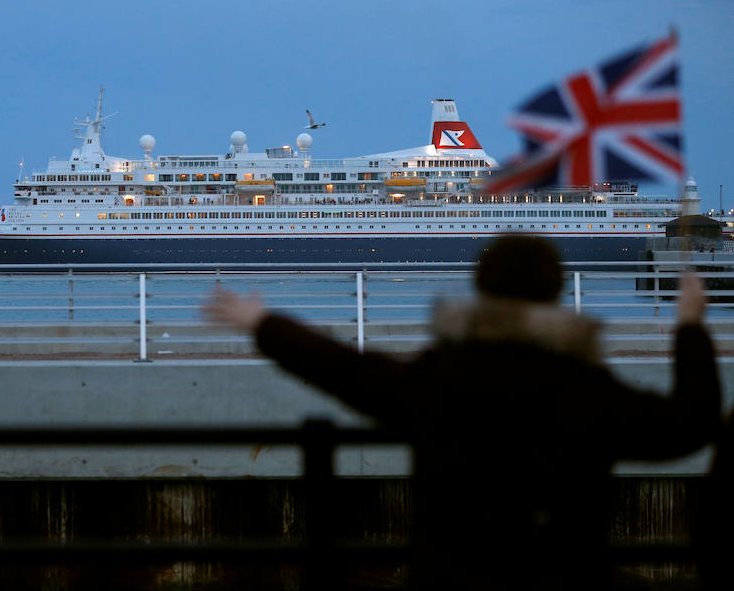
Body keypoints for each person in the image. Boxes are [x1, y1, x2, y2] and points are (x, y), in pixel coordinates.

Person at [204, 235, 722, 589]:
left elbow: (344, 370)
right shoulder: (584, 388)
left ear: (480, 288)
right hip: (562, 578)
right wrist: (690, 326)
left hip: (450, 580)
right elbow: (691, 424)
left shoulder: (442, 377)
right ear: (556, 291)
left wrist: (262, 322)